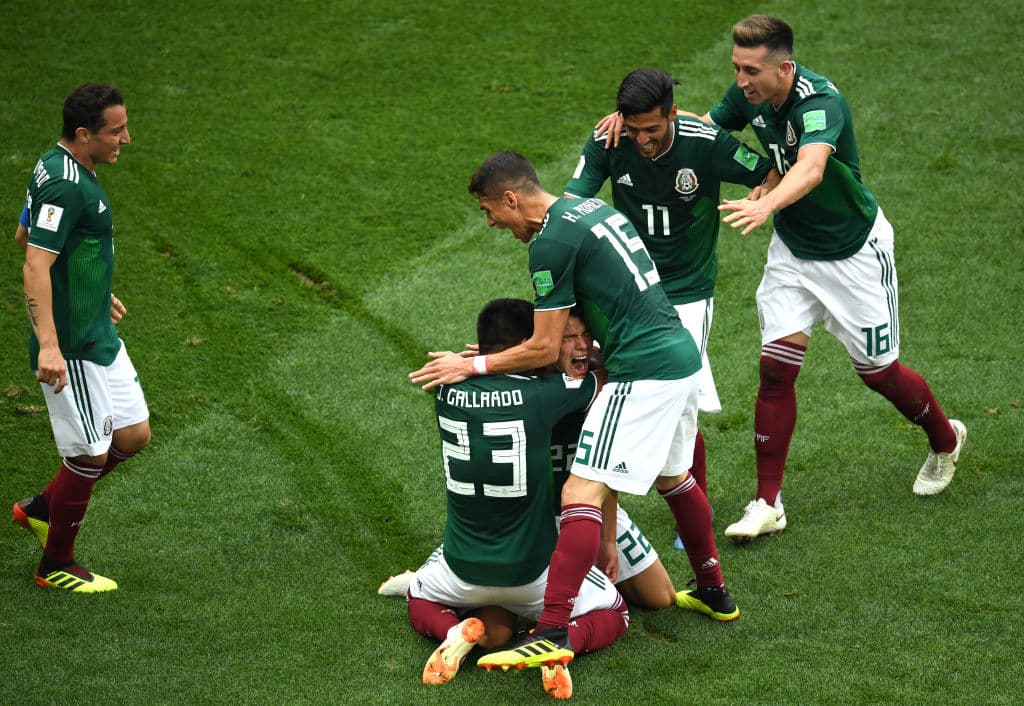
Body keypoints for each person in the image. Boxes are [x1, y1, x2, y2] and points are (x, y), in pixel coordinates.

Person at [410, 152, 738, 690]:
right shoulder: (588, 208)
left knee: (579, 496)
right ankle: (713, 590)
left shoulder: (549, 243)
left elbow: (542, 349)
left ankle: (555, 630)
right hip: (680, 354)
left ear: (512, 198)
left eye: (491, 211)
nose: (492, 223)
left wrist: (475, 364)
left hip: (642, 371)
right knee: (673, 477)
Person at [678, 15, 965, 539]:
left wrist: (766, 206)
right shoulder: (750, 92)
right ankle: (768, 502)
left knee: (879, 373)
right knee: (775, 368)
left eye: (751, 70)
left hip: (853, 251)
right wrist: (638, 121)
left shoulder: (819, 102)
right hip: (795, 253)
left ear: (784, 67)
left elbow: (810, 168)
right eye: (736, 68)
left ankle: (945, 439)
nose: (741, 81)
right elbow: (706, 130)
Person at [567, 68, 776, 547]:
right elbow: (572, 202)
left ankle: (691, 509)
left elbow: (767, 170)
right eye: (634, 128)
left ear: (673, 115)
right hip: (630, 284)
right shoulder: (609, 139)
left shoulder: (706, 142)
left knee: (681, 400)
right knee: (609, 379)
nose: (641, 139)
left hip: (686, 289)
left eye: (653, 130)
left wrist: (760, 196)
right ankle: (609, 493)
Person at [382, 308, 678, 610]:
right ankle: (441, 567)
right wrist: (484, 363)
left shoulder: (604, 379)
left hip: (585, 508)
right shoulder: (529, 385)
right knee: (498, 624)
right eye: (568, 338)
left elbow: (604, 471)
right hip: (528, 521)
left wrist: (607, 540)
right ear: (543, 346)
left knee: (660, 598)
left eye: (587, 336)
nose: (582, 346)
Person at [407, 298, 628, 700]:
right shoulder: (545, 394)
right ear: (527, 344)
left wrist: (479, 360)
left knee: (416, 597)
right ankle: (563, 643)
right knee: (617, 611)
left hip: (461, 570)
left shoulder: (443, 389)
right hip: (534, 575)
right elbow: (601, 374)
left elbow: (482, 373)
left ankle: (454, 630)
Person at [11, 83, 151, 592]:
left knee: (133, 434)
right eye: (117, 131)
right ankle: (55, 564)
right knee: (90, 455)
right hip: (72, 346)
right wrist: (49, 345)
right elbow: (33, 263)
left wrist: (91, 289)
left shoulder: (56, 164)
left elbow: (27, 233)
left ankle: (44, 507)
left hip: (94, 327)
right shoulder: (67, 184)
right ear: (85, 133)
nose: (127, 139)